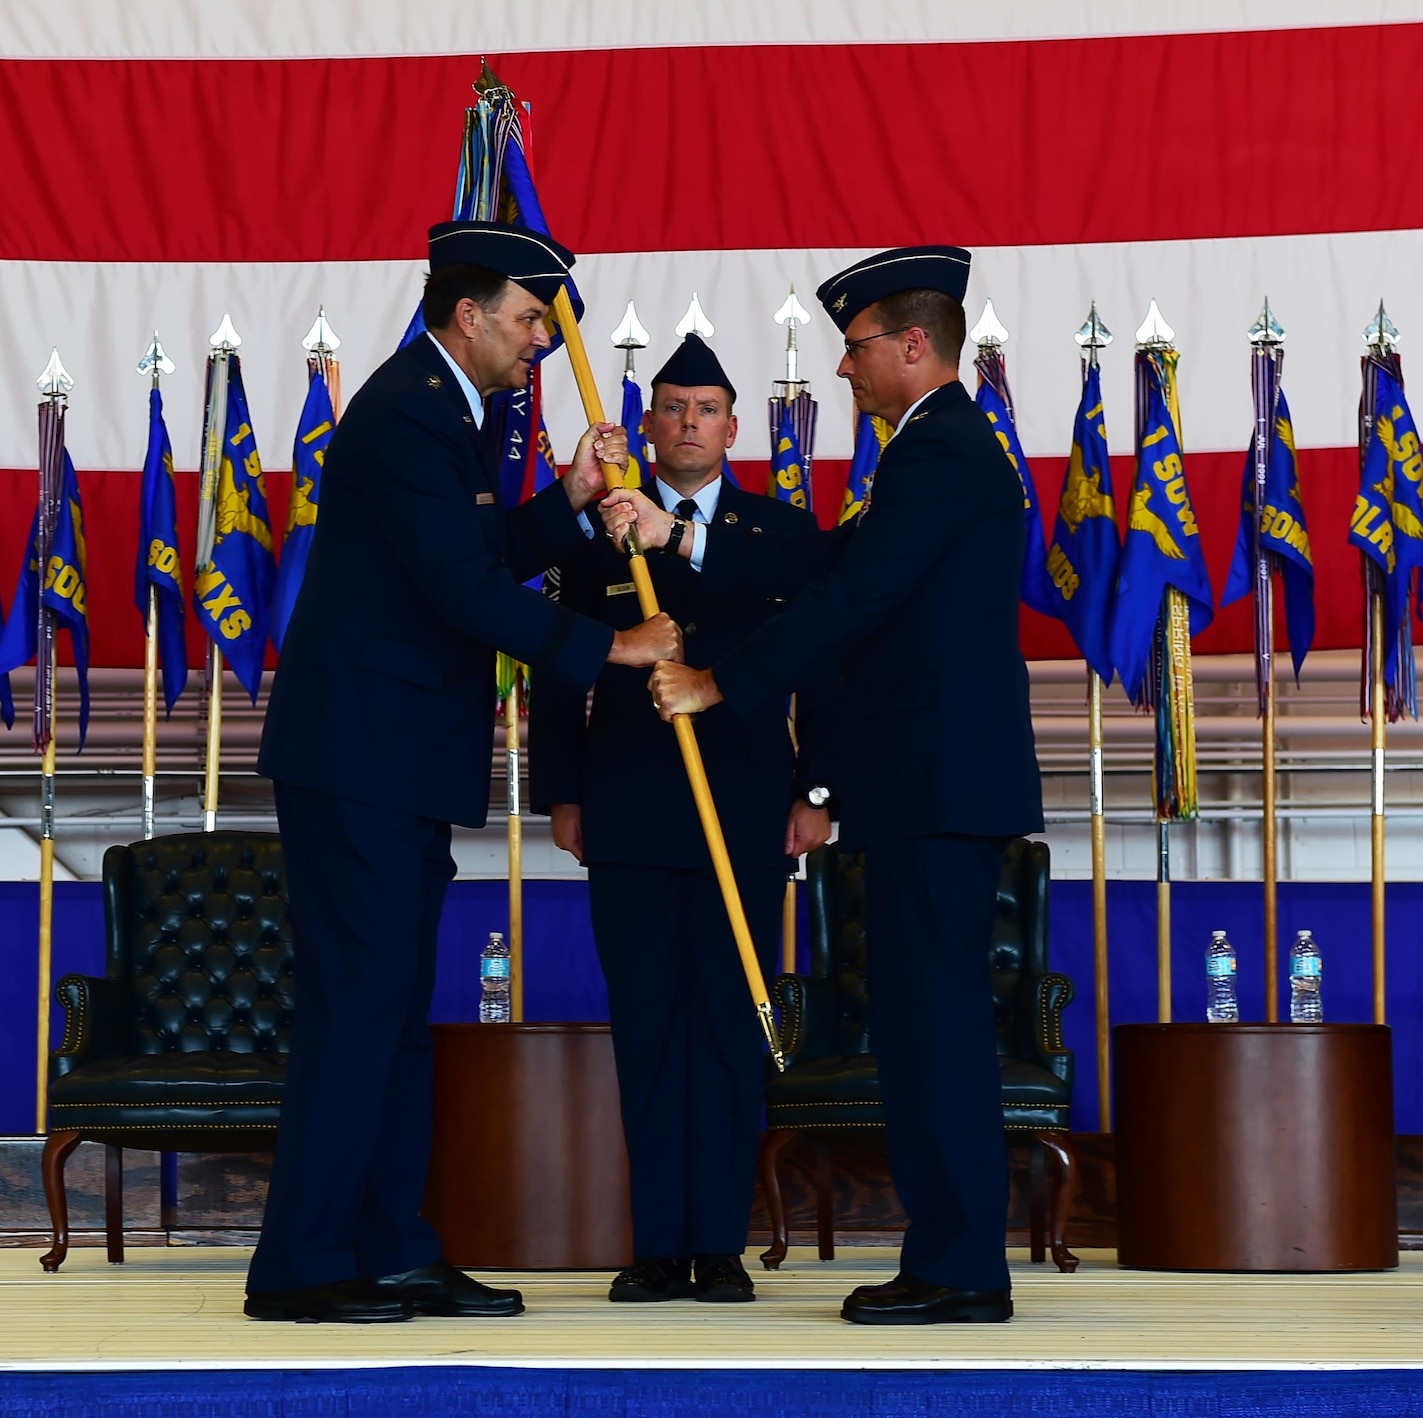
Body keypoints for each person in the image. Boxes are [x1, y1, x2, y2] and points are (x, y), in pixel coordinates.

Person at [249, 222, 681, 1324]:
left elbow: (468, 555)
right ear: (467, 315)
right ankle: (301, 1268)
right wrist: (607, 649)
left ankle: (393, 1248)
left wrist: (567, 499)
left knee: (391, 1012)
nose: (543, 339)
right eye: (531, 318)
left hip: (394, 761)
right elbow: (459, 592)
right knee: (358, 1011)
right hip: (361, 760)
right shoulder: (408, 412)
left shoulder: (448, 409)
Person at [643, 246, 1042, 1325]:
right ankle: (949, 1256)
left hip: (936, 787)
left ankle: (960, 1267)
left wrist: (720, 683)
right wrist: (681, 533)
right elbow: (819, 566)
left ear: (914, 345)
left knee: (935, 1028)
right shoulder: (931, 451)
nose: (843, 368)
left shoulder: (941, 452)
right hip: (917, 786)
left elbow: (851, 599)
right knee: (917, 1024)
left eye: (856, 346)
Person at [533, 332, 836, 1306]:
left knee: (727, 1029)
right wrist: (563, 791)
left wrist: (816, 791)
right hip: (627, 807)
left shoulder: (779, 533)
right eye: (670, 408)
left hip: (745, 808)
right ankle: (659, 1243)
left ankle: (718, 1243)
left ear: (733, 426)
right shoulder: (604, 531)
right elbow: (558, 666)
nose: (687, 424)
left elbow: (818, 661)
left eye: (705, 409)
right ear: (648, 425)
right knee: (650, 1031)